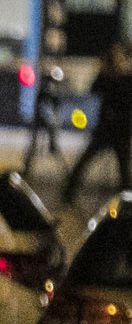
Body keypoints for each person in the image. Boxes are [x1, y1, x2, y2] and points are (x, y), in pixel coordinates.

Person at [62, 42, 132, 206]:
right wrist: (104, 72)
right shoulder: (106, 77)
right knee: (85, 161)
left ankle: (126, 200)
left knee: (123, 169)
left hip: (119, 129)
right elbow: (94, 89)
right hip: (107, 128)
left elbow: (125, 98)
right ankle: (68, 193)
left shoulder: (126, 78)